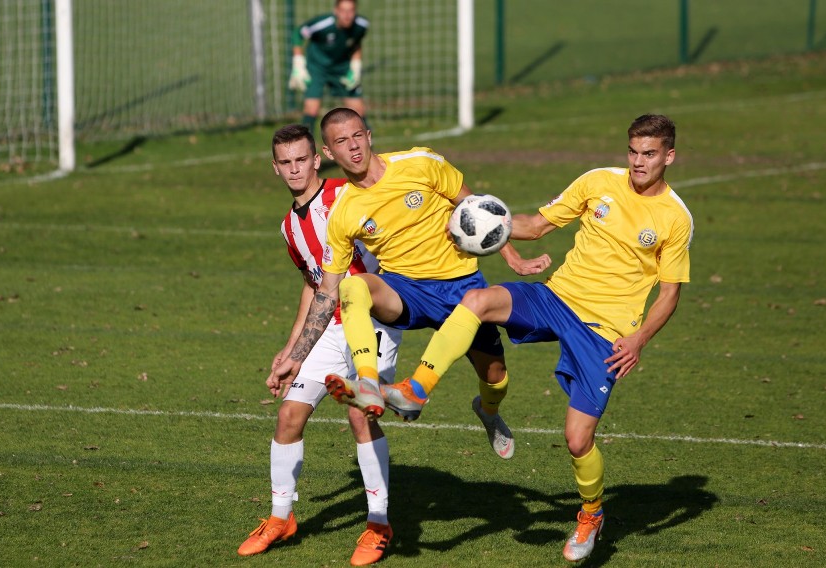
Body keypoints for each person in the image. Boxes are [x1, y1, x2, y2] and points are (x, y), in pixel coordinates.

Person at [388, 114, 693, 562]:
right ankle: (416, 388)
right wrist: (482, 221)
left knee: (576, 440)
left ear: (669, 156)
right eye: (633, 152)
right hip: (558, 297)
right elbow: (535, 226)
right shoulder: (596, 182)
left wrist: (639, 339)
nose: (638, 162)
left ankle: (591, 514)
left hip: (606, 331)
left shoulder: (675, 218)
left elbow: (669, 294)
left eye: (649, 154)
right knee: (477, 300)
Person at [270, 107, 551, 461]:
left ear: (369, 136)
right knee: (352, 287)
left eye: (358, 136)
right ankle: (370, 384)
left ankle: (489, 411)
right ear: (328, 153)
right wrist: (296, 355)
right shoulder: (344, 213)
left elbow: (475, 209)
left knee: (496, 377)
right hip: (406, 289)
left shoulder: (420, 163)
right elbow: (324, 290)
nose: (353, 147)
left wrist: (514, 259)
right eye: (341, 141)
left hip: (461, 286)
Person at [238, 124, 401, 566]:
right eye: (284, 162)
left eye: (300, 160)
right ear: (275, 168)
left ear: (316, 160)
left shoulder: (345, 198)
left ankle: (379, 523)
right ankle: (280, 517)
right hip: (328, 326)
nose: (294, 169)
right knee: (290, 414)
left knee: (359, 413)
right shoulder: (290, 226)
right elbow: (314, 287)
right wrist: (291, 352)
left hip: (372, 319)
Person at [288, 0, 369, 135]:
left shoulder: (361, 25)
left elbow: (356, 43)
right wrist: (298, 64)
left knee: (358, 109)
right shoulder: (322, 24)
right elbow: (298, 34)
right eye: (343, 11)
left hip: (342, 68)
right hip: (317, 67)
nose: (347, 15)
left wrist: (355, 66)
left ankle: (369, 150)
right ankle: (306, 148)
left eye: (351, 11)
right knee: (311, 108)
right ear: (336, 11)